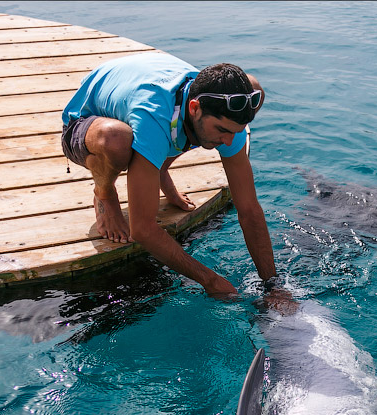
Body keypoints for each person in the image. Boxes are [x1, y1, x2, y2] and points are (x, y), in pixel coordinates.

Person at [61, 52, 291, 307]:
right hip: (85, 122)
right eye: (223, 130)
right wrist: (211, 281)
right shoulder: (153, 116)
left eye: (235, 132)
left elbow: (249, 209)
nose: (229, 142)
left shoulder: (226, 118)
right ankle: (104, 193)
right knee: (117, 141)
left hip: (153, 99)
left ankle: (157, 167)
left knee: (252, 87)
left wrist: (273, 286)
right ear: (195, 108)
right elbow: (143, 230)